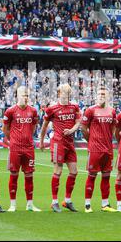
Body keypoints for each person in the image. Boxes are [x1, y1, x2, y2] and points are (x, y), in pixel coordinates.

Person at [40, 84, 81, 212]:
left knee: (74, 171)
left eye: (68, 93)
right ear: (59, 93)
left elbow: (78, 122)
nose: (67, 96)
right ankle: (54, 202)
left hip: (70, 143)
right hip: (58, 142)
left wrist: (72, 130)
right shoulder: (52, 108)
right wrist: (41, 141)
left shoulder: (74, 107)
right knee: (58, 171)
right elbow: (44, 125)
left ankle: (67, 201)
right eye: (64, 93)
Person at [3, 86, 41, 212]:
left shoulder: (33, 111)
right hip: (15, 148)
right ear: (17, 96)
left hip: (29, 148)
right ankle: (12, 205)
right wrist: (13, 140)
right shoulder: (10, 111)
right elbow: (5, 129)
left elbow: (33, 127)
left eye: (27, 95)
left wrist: (27, 137)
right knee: (14, 174)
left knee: (29, 175)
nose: (26, 97)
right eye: (23, 95)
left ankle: (30, 204)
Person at [81, 86, 117, 213]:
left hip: (108, 149)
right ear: (96, 95)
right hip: (95, 149)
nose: (102, 96)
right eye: (100, 93)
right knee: (92, 176)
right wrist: (90, 141)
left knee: (106, 176)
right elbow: (83, 128)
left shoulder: (112, 111)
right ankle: (87, 205)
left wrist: (108, 139)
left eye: (104, 94)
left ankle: (105, 204)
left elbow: (113, 128)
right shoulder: (90, 110)